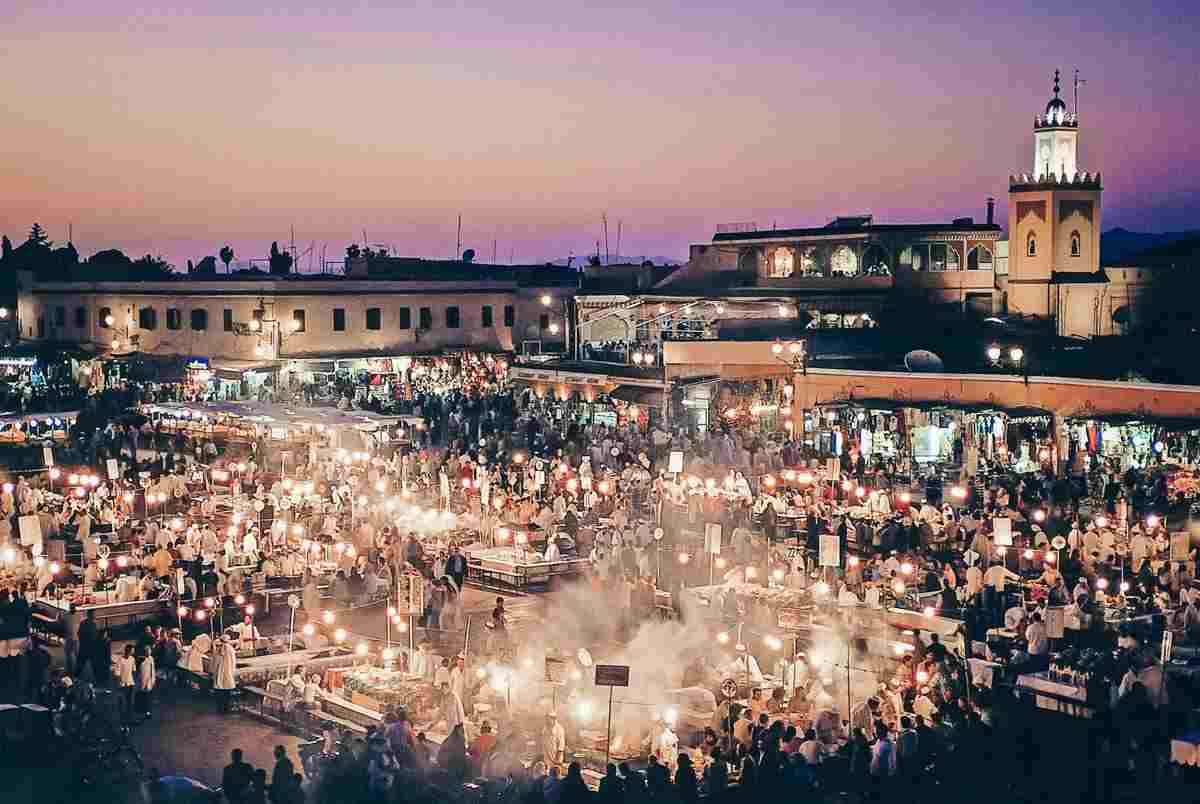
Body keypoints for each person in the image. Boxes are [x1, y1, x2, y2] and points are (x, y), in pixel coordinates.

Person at [116, 643, 137, 719]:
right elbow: (117, 674)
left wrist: (134, 681)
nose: (133, 652)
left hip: (130, 683)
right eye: (132, 650)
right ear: (128, 651)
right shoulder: (120, 660)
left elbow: (134, 670)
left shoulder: (132, 659)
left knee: (130, 702)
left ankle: (130, 716)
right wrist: (119, 684)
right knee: (123, 703)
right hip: (123, 685)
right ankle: (123, 718)